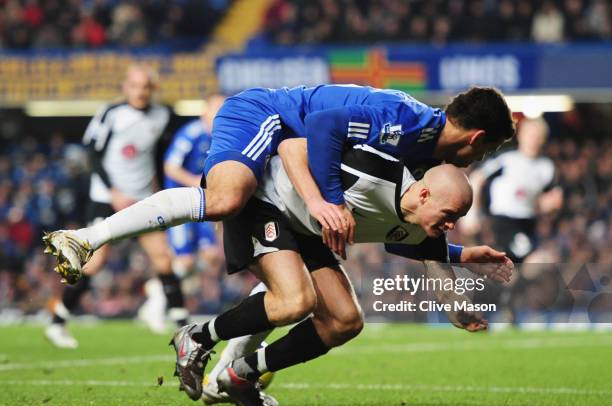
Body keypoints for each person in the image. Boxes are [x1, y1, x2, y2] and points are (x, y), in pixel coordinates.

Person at [43, 84, 515, 286]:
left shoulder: (422, 160)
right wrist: (329, 202)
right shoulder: (405, 125)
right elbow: (325, 125)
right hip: (265, 115)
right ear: (476, 138)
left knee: (304, 280)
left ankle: (232, 369)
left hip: (289, 160)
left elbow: (399, 234)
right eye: (485, 152)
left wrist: (458, 259)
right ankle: (85, 237)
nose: (476, 161)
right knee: (228, 198)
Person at [169, 141, 513, 406]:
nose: (452, 225)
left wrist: (459, 283)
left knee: (346, 321)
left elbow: (417, 249)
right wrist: (318, 202)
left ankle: (240, 376)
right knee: (296, 301)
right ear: (424, 194)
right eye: (450, 214)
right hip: (269, 199)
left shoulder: (421, 220)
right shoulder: (372, 171)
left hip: (309, 227)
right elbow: (293, 148)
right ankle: (199, 336)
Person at [44, 64, 188, 348]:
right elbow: (93, 154)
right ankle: (58, 322)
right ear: (125, 87)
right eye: (134, 86)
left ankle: (184, 329)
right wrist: (113, 190)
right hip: (107, 199)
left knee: (163, 259)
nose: (140, 92)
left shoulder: (163, 115)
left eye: (145, 86)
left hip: (144, 198)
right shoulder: (111, 113)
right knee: (94, 263)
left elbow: (159, 154)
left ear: (153, 89)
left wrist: (158, 185)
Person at [138, 97, 226, 332]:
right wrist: (197, 183)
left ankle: (157, 289)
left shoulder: (220, 136)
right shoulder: (191, 133)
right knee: (184, 259)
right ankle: (155, 305)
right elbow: (170, 166)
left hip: (202, 203)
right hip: (180, 203)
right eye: (216, 110)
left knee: (211, 256)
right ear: (205, 112)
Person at [463, 117, 563, 262]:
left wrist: (549, 206)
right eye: (530, 135)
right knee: (535, 260)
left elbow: (551, 200)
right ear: (521, 135)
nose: (533, 140)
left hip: (529, 222)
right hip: (503, 221)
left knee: (520, 268)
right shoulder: (507, 160)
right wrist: (472, 214)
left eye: (538, 136)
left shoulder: (547, 167)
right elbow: (477, 179)